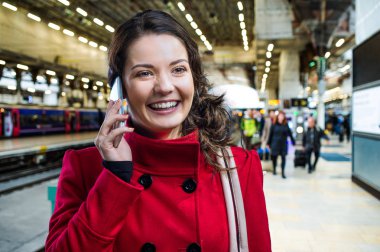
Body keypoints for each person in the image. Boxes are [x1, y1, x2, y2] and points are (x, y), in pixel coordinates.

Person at [45, 10, 271, 251]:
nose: (164, 87)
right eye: (144, 73)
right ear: (119, 88)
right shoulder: (86, 168)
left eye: (178, 69)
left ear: (194, 78)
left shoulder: (240, 167)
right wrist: (115, 178)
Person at [268, 111, 295, 179]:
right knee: (274, 157)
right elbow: (270, 134)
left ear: (284, 117)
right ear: (278, 117)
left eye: (282, 116)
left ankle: (283, 172)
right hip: (275, 143)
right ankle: (274, 169)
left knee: (283, 158)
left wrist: (293, 141)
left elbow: (290, 134)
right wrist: (269, 143)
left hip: (283, 144)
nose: (281, 117)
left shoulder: (286, 125)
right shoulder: (274, 124)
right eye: (280, 116)